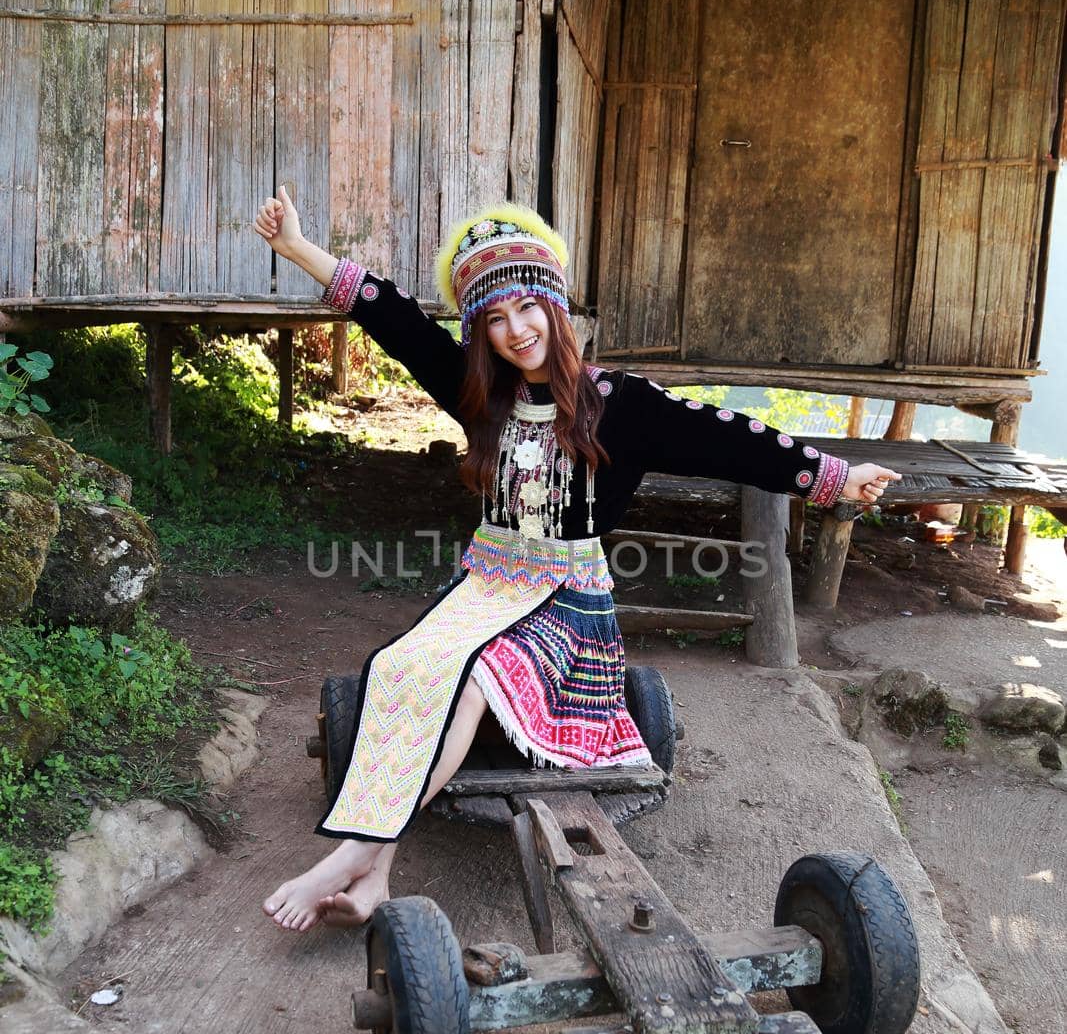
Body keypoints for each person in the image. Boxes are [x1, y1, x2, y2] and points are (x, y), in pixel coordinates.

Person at [253, 188, 901, 932]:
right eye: (493, 319)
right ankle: (375, 881)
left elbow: (729, 437)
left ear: (553, 307)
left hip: (567, 603)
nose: (513, 330)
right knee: (399, 667)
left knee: (471, 675)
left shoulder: (618, 406)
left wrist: (832, 476)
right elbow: (394, 319)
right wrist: (299, 250)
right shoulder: (480, 396)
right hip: (486, 583)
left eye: (525, 308)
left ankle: (351, 854)